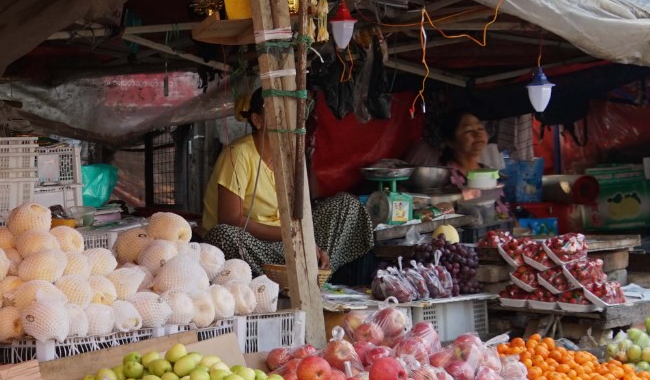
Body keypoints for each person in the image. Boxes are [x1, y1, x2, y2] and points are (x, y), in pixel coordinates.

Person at [202, 89, 376, 273]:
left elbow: (302, 211)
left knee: (347, 205)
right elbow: (230, 219)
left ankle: (312, 267)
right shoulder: (239, 154)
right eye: (277, 113)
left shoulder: (289, 156)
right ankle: (294, 271)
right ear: (257, 120)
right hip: (252, 243)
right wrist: (292, 236)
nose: (285, 120)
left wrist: (308, 242)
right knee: (224, 236)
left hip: (285, 245)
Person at [406, 110, 494, 190]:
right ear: (451, 141)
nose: (478, 134)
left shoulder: (489, 172)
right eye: (468, 130)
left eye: (480, 128)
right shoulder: (442, 177)